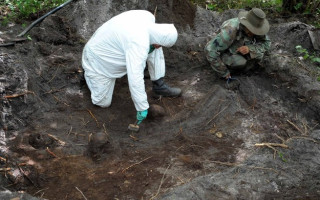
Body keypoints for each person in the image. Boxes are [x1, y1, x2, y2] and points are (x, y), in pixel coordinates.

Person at [82, 10, 181, 125]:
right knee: (102, 102)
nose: (159, 47)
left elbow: (154, 44)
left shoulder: (147, 18)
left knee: (154, 47)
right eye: (160, 44)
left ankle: (159, 85)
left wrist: (153, 47)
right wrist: (142, 107)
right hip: (97, 60)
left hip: (114, 45)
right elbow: (135, 78)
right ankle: (88, 74)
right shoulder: (138, 43)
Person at [205, 8, 271, 81]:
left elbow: (267, 44)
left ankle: (246, 66)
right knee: (240, 62)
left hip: (240, 44)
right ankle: (231, 67)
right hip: (223, 48)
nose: (255, 33)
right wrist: (223, 72)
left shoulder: (257, 28)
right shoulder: (229, 32)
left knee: (259, 55)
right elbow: (210, 50)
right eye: (253, 30)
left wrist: (250, 48)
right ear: (247, 25)